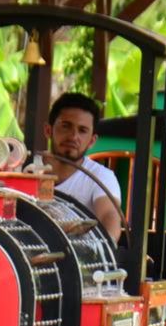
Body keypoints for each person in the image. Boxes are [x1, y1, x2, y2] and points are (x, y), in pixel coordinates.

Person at [45, 92, 123, 241]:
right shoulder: (25, 169)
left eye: (82, 130)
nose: (73, 137)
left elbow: (109, 216)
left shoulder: (101, 177)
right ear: (48, 130)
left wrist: (106, 244)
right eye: (66, 126)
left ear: (92, 141)